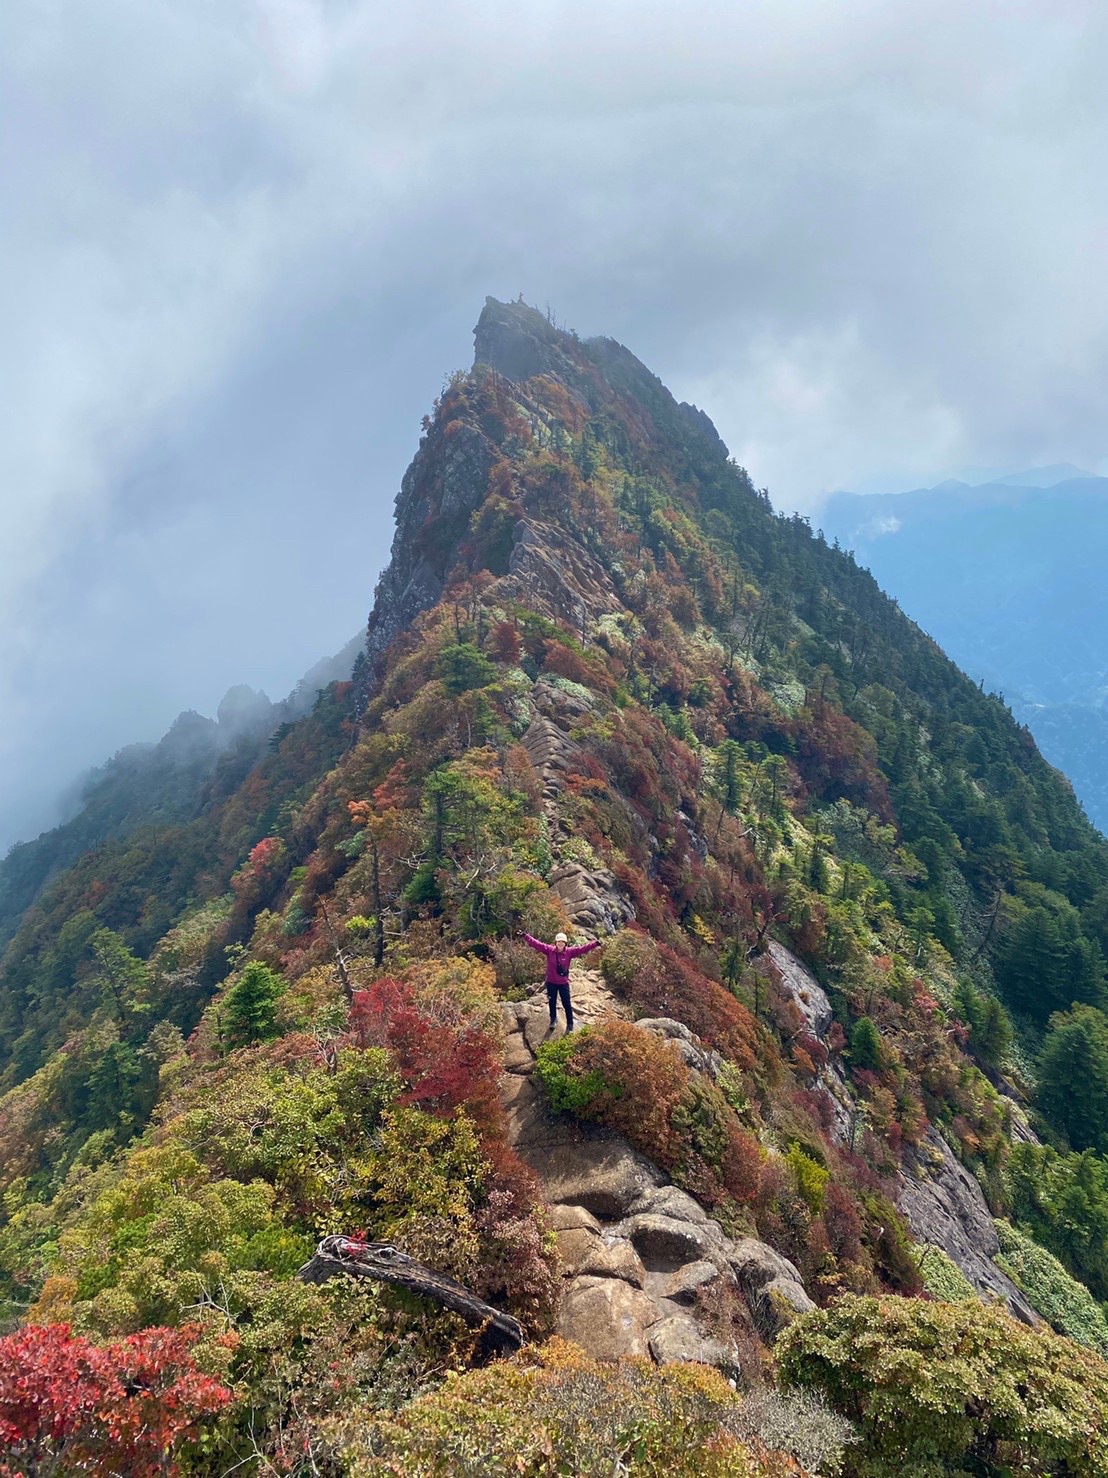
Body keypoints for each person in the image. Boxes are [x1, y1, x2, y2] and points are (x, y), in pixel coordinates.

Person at [522, 929, 600, 1033]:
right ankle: (553, 1020)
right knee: (552, 1002)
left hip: (563, 983)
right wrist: (525, 936)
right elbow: (537, 944)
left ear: (565, 943)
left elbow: (582, 949)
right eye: (559, 941)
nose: (560, 943)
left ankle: (570, 1024)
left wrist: (594, 944)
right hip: (551, 982)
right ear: (556, 942)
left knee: (566, 1003)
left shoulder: (569, 952)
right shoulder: (549, 950)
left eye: (562, 942)